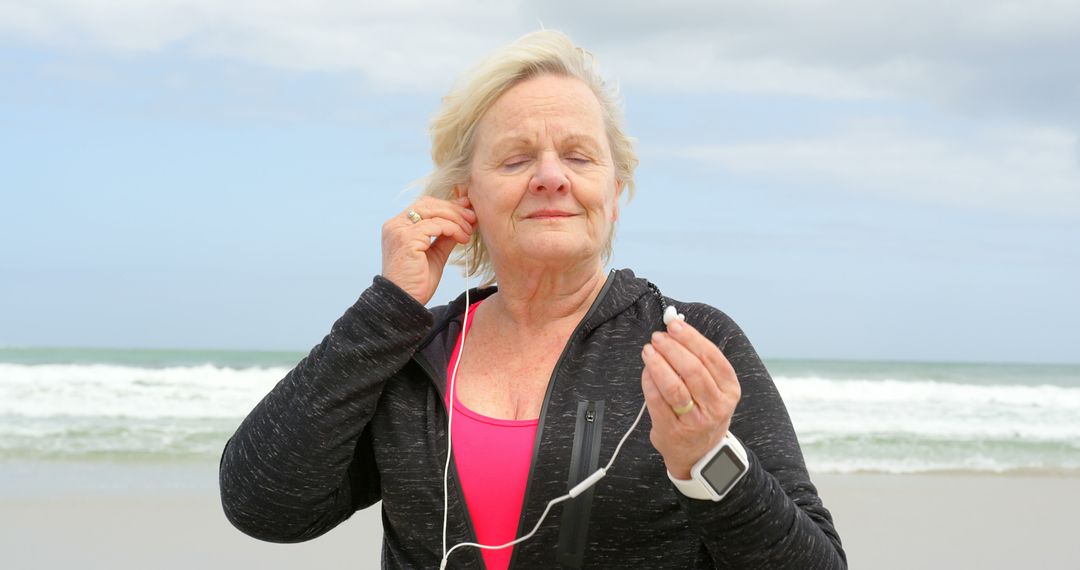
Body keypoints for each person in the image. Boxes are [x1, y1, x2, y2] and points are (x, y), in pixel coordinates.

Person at [219, 30, 846, 569]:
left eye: (578, 155)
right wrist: (387, 308)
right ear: (467, 197)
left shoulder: (691, 338)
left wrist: (707, 461)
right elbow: (264, 505)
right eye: (517, 159)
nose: (552, 176)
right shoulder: (410, 352)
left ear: (615, 190)